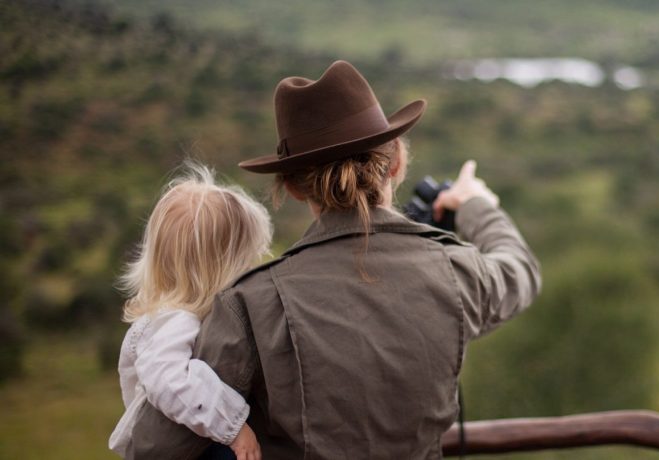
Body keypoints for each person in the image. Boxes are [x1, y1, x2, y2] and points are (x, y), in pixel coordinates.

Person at [126, 60, 542, 459]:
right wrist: (475, 205)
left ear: (292, 187)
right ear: (396, 161)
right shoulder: (457, 272)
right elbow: (520, 269)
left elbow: (153, 448)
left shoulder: (251, 305)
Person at [110, 163, 272, 460]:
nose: (250, 268)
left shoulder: (180, 314)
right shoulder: (174, 320)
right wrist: (235, 427)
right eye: (246, 259)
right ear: (219, 268)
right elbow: (170, 379)